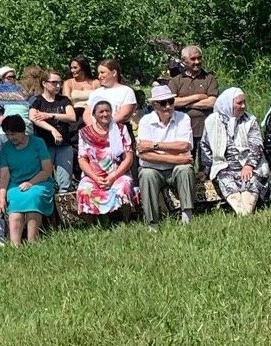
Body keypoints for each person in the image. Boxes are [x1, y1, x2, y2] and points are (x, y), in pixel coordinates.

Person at [136, 83, 197, 228]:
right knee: (146, 174)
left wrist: (155, 146)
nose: (168, 106)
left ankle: (187, 218)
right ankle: (152, 223)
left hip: (176, 168)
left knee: (185, 170)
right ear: (155, 105)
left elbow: (184, 145)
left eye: (171, 101)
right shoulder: (145, 121)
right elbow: (144, 155)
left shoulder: (183, 118)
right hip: (154, 169)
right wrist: (178, 158)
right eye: (164, 103)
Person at [202, 88, 270, 215]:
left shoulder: (250, 120)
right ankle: (242, 212)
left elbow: (256, 144)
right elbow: (205, 147)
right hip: (224, 166)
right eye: (239, 103)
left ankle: (245, 213)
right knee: (225, 179)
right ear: (228, 103)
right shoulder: (212, 121)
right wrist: (206, 170)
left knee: (251, 179)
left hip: (248, 164)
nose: (243, 106)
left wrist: (249, 165)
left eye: (244, 102)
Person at [0, 113, 56, 245]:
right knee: (15, 204)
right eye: (8, 135)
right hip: (15, 184)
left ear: (22, 131)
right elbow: (4, 175)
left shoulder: (38, 143)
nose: (11, 138)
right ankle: (15, 245)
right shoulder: (6, 148)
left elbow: (47, 170)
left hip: (39, 181)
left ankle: (32, 241)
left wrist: (30, 183)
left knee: (34, 197)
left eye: (14, 134)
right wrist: (1, 198)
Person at [77, 93, 139, 219]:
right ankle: (94, 223)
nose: (105, 114)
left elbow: (128, 157)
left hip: (117, 173)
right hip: (93, 176)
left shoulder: (121, 129)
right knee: (84, 190)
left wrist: (113, 177)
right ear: (94, 114)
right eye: (101, 112)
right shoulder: (84, 133)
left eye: (108, 111)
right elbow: (82, 159)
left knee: (124, 186)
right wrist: (95, 177)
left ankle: (125, 219)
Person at [28, 71, 79, 191]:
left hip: (64, 145)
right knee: (45, 179)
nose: (58, 86)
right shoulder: (37, 100)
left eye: (59, 83)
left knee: (65, 182)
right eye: (54, 82)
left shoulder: (64, 100)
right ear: (44, 83)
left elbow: (72, 117)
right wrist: (52, 130)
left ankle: (64, 208)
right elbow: (33, 117)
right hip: (44, 145)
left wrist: (49, 115)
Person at [168, 44, 218, 146]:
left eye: (199, 58)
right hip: (181, 129)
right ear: (183, 61)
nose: (197, 62)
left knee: (205, 162)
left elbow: (212, 102)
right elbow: (171, 102)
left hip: (205, 129)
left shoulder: (209, 79)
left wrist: (184, 103)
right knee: (184, 160)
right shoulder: (175, 81)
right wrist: (197, 97)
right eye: (193, 59)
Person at [95, 60, 138, 128]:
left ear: (114, 73)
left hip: (120, 130)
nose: (99, 76)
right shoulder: (96, 92)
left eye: (102, 72)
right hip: (97, 132)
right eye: (99, 73)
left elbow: (124, 115)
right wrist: (95, 127)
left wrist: (105, 125)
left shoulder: (127, 91)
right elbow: (87, 113)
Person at [63, 56, 96, 120]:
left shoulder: (95, 83)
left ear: (83, 68)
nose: (72, 70)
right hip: (76, 115)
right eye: (71, 68)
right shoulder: (68, 83)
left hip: (92, 114)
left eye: (75, 68)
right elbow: (67, 102)